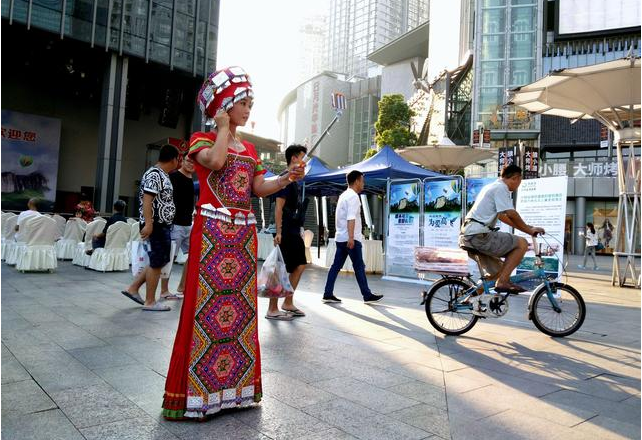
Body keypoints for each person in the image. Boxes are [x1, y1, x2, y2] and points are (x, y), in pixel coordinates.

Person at [162, 66, 304, 420]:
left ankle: (233, 392)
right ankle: (199, 396)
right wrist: (222, 128)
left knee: (238, 314)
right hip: (211, 231)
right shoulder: (201, 140)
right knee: (204, 311)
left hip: (241, 235)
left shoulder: (252, 150)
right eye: (243, 102)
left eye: (250, 102)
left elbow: (259, 188)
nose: (248, 108)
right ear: (224, 105)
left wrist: (288, 176)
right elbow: (216, 162)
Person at [459, 164, 545, 301]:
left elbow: (502, 216)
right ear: (515, 178)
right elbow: (511, 214)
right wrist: (529, 231)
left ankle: (469, 300)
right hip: (479, 235)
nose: (518, 185)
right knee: (522, 244)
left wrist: (528, 227)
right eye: (519, 182)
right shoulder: (501, 188)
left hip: (470, 235)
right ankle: (503, 282)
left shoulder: (492, 186)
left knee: (500, 270)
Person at [121, 144, 179, 312]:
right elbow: (147, 200)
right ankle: (150, 301)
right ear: (174, 159)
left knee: (157, 261)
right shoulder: (155, 174)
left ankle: (132, 288)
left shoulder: (163, 174)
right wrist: (149, 223)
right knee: (157, 262)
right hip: (156, 225)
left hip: (161, 225)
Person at [323, 170, 383, 304]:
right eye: (362, 181)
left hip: (341, 237)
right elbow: (351, 218)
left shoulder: (344, 195)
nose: (363, 183)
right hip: (351, 238)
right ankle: (367, 295)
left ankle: (327, 293)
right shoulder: (353, 197)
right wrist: (351, 237)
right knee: (359, 266)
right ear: (356, 181)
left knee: (336, 266)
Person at [267, 144, 309, 320]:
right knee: (279, 268)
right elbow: (278, 208)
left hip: (292, 229)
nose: (304, 162)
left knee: (299, 264)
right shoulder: (285, 179)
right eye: (302, 158)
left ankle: (287, 301)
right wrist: (279, 232)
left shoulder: (294, 180)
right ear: (294, 158)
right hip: (284, 230)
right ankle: (272, 308)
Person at [160, 151, 195, 300]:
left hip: (188, 224)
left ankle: (182, 286)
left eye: (194, 162)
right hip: (175, 225)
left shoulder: (191, 180)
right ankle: (164, 290)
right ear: (182, 160)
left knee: (193, 256)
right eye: (188, 160)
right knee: (170, 258)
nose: (190, 164)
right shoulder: (173, 177)